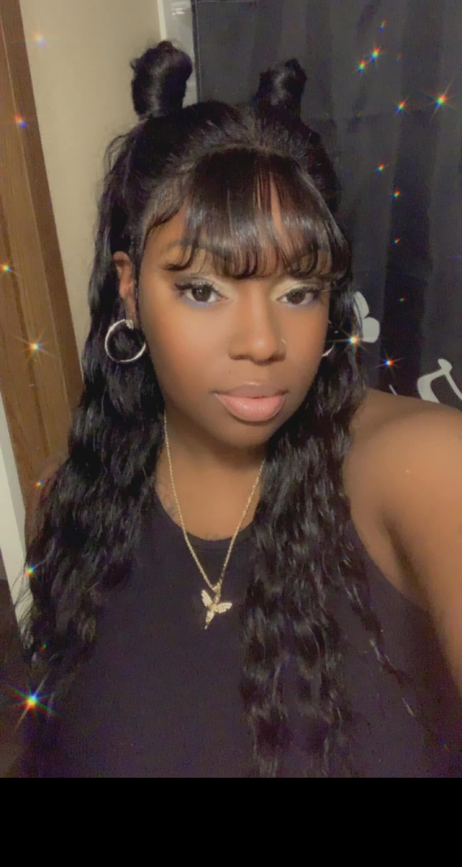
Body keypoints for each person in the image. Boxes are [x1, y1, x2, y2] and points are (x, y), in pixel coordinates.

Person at [18, 41, 462, 778]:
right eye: (202, 290)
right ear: (130, 289)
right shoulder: (71, 505)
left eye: (299, 291)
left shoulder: (424, 468)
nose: (263, 342)